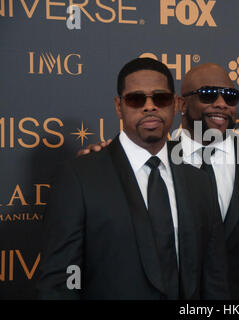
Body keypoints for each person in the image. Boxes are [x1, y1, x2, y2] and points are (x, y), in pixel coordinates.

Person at [79, 63, 239, 300]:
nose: (221, 103)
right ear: (180, 104)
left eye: (230, 97)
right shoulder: (150, 161)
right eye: (208, 94)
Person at [37, 58, 229, 300]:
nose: (150, 107)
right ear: (119, 106)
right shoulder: (79, 178)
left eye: (160, 98)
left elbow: (214, 280)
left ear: (176, 104)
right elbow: (58, 283)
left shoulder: (199, 182)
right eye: (136, 99)